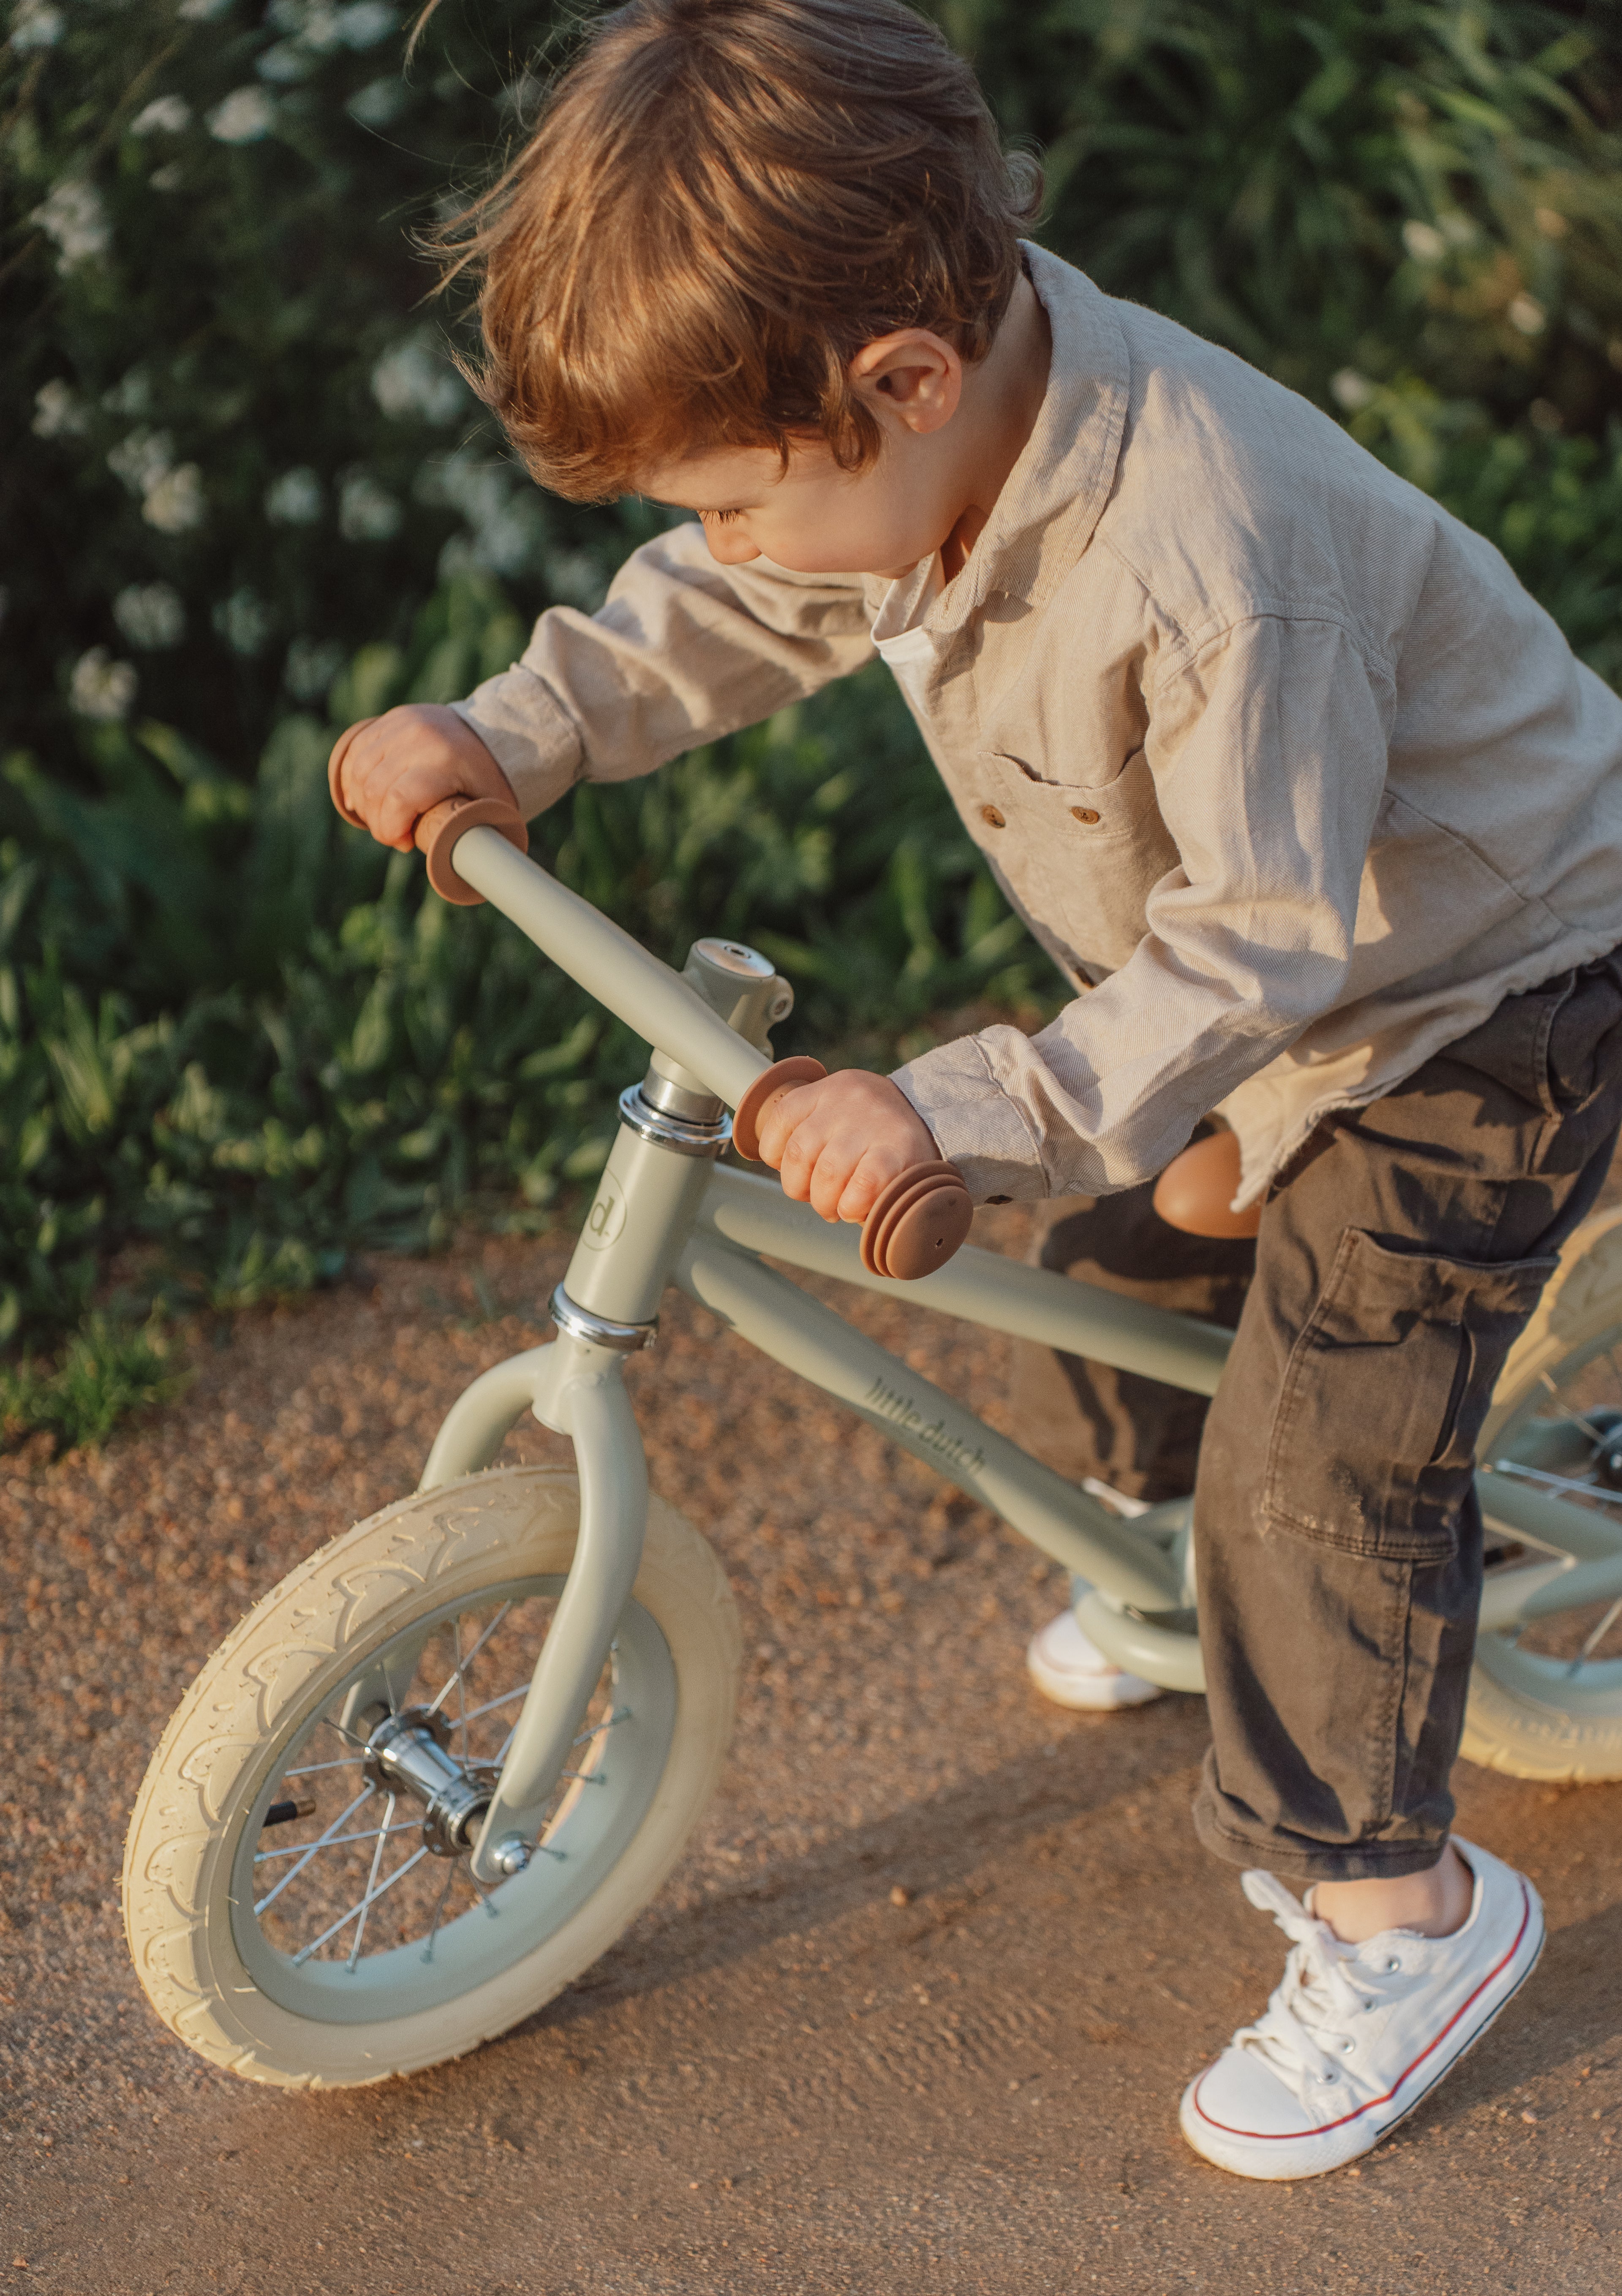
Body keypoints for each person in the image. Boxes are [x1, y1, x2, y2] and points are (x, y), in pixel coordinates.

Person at [331, 0, 1622, 2180]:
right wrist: (518, 735)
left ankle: (1402, 1903)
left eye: (741, 493)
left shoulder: (1213, 554)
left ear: (902, 384)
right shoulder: (941, 437)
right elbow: (736, 611)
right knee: (1123, 1236)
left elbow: (1283, 937)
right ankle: (1163, 1542)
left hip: (1480, 987)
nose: (732, 539)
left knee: (1318, 1437)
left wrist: (958, 1098)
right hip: (1258, 954)